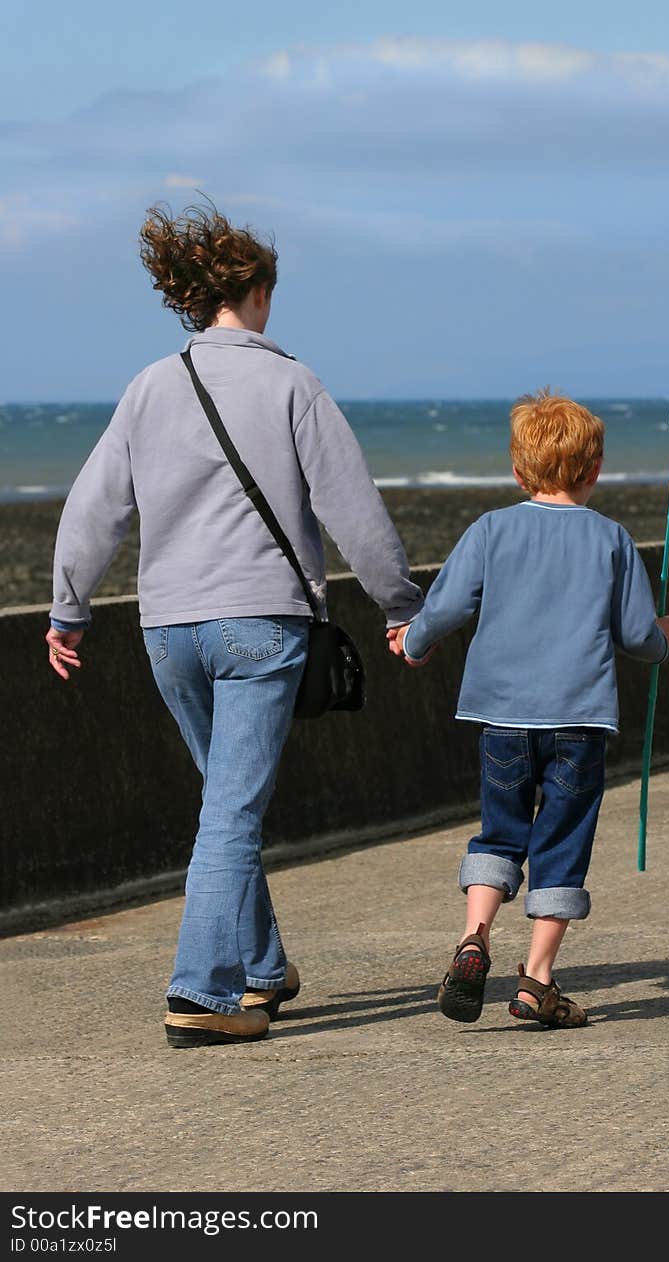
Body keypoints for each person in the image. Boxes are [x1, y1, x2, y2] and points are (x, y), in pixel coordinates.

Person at [47, 202, 424, 1049]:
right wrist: (401, 604)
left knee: (226, 801)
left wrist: (69, 609)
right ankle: (201, 993)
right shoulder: (291, 380)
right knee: (231, 817)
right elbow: (353, 512)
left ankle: (261, 970)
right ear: (256, 291)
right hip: (259, 625)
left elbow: (92, 510)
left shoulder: (150, 386)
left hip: (168, 631)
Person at [387, 390, 669, 1028]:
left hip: (501, 718)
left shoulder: (491, 529)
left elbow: (445, 607)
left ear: (519, 472)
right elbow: (637, 637)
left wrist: (412, 641)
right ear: (595, 469)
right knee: (562, 838)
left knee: (501, 830)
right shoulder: (611, 538)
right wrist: (666, 638)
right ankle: (537, 979)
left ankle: (475, 938)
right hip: (578, 720)